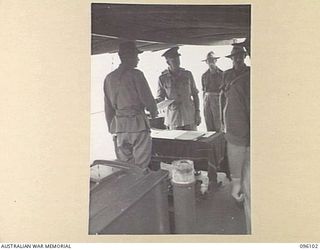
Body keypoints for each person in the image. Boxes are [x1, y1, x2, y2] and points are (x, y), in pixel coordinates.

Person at [104, 41, 158, 170]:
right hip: (137, 126)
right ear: (128, 56)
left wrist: (112, 127)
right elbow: (148, 99)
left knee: (125, 166)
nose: (138, 59)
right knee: (141, 165)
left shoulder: (109, 78)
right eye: (136, 55)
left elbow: (108, 107)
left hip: (120, 128)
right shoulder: (136, 74)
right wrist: (154, 112)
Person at [220, 40, 251, 233]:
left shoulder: (246, 76)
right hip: (232, 115)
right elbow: (223, 97)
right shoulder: (227, 75)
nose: (237, 60)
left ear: (244, 56)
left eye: (240, 56)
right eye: (234, 57)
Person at [156, 47, 201, 130]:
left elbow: (195, 94)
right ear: (168, 62)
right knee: (176, 142)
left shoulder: (187, 75)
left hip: (189, 116)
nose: (177, 62)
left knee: (193, 140)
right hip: (174, 117)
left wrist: (197, 112)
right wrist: (155, 101)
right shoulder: (163, 78)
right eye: (174, 60)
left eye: (178, 59)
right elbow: (160, 97)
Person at [201, 51, 223, 132]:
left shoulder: (222, 74)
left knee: (219, 125)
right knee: (209, 123)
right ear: (206, 62)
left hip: (218, 100)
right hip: (207, 101)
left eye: (212, 60)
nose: (211, 62)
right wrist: (204, 103)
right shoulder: (204, 75)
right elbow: (204, 91)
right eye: (209, 60)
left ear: (215, 61)